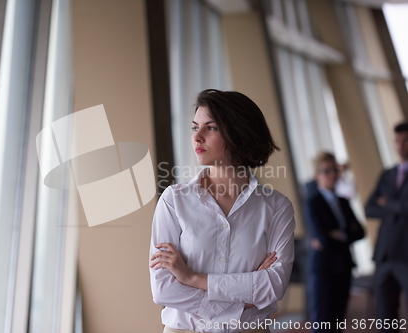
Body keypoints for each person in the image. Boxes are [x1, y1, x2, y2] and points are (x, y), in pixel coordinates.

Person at [148, 89, 296, 333]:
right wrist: (244, 299)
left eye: (211, 128)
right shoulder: (174, 201)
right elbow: (164, 289)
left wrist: (192, 278)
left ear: (239, 133)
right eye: (195, 127)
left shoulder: (277, 208)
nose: (197, 137)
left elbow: (274, 286)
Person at [306, 152, 365, 333]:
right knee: (323, 321)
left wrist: (338, 234)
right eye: (326, 171)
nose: (332, 174)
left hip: (345, 265)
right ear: (317, 175)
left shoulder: (343, 201)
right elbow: (322, 237)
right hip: (324, 268)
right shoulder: (312, 202)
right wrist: (346, 233)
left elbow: (361, 232)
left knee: (339, 320)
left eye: (334, 170)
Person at [365, 122, 408, 332]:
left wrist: (387, 202)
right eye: (397, 141)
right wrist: (397, 207)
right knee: (385, 317)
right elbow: (369, 208)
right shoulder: (387, 174)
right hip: (384, 255)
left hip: (406, 255)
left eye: (405, 141)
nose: (400, 146)